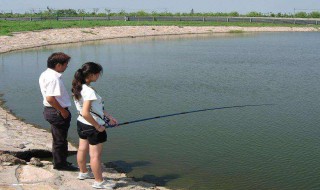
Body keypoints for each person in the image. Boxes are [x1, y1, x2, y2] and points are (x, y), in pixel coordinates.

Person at [72, 62, 118, 189]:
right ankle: (99, 182)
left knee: (82, 149)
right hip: (92, 126)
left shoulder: (78, 87)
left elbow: (91, 109)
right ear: (91, 74)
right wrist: (98, 126)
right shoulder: (89, 91)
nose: (99, 76)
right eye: (98, 73)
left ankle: (83, 173)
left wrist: (108, 116)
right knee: (95, 156)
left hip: (81, 123)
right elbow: (86, 112)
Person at [39, 52, 78, 171]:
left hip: (52, 111)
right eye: (66, 64)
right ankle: (60, 164)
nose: (67, 66)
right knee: (60, 140)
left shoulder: (46, 74)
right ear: (58, 65)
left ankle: (61, 162)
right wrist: (62, 111)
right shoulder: (53, 78)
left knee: (59, 138)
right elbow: (50, 98)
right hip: (57, 112)